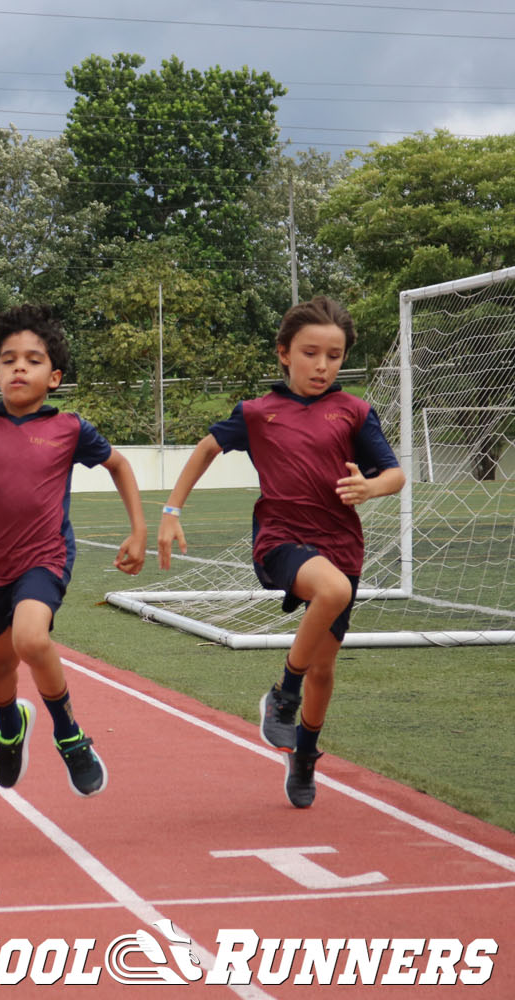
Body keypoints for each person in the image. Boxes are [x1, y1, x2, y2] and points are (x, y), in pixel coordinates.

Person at [157, 296, 404, 809]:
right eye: (310, 353)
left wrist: (370, 489)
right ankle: (282, 694)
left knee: (326, 670)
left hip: (341, 544)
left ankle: (305, 754)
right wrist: (171, 511)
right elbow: (206, 449)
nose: (322, 365)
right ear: (283, 354)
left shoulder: (354, 412)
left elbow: (394, 473)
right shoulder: (257, 413)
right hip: (281, 539)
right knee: (330, 592)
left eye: (334, 356)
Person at [0, 304, 146, 797]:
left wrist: (139, 530)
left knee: (32, 639)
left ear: (55, 377)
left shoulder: (69, 429)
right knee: (0, 664)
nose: (20, 367)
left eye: (33, 359)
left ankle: (70, 734)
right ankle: (10, 725)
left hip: (44, 557)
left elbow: (120, 465)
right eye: (9, 359)